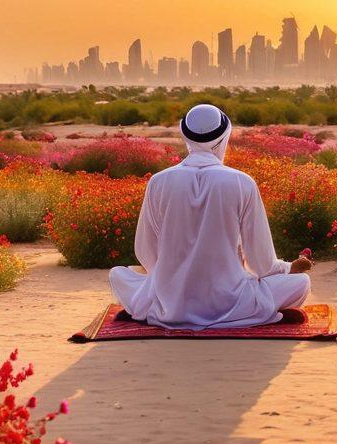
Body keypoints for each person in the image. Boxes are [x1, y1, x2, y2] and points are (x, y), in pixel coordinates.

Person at [108, 103, 312, 329]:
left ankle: (161, 303)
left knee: (118, 275)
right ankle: (246, 313)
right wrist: (287, 268)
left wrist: (172, 279)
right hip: (231, 301)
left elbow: (145, 251)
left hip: (171, 303)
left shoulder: (159, 182)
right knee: (301, 283)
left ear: (186, 137)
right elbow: (260, 264)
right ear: (224, 138)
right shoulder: (241, 182)